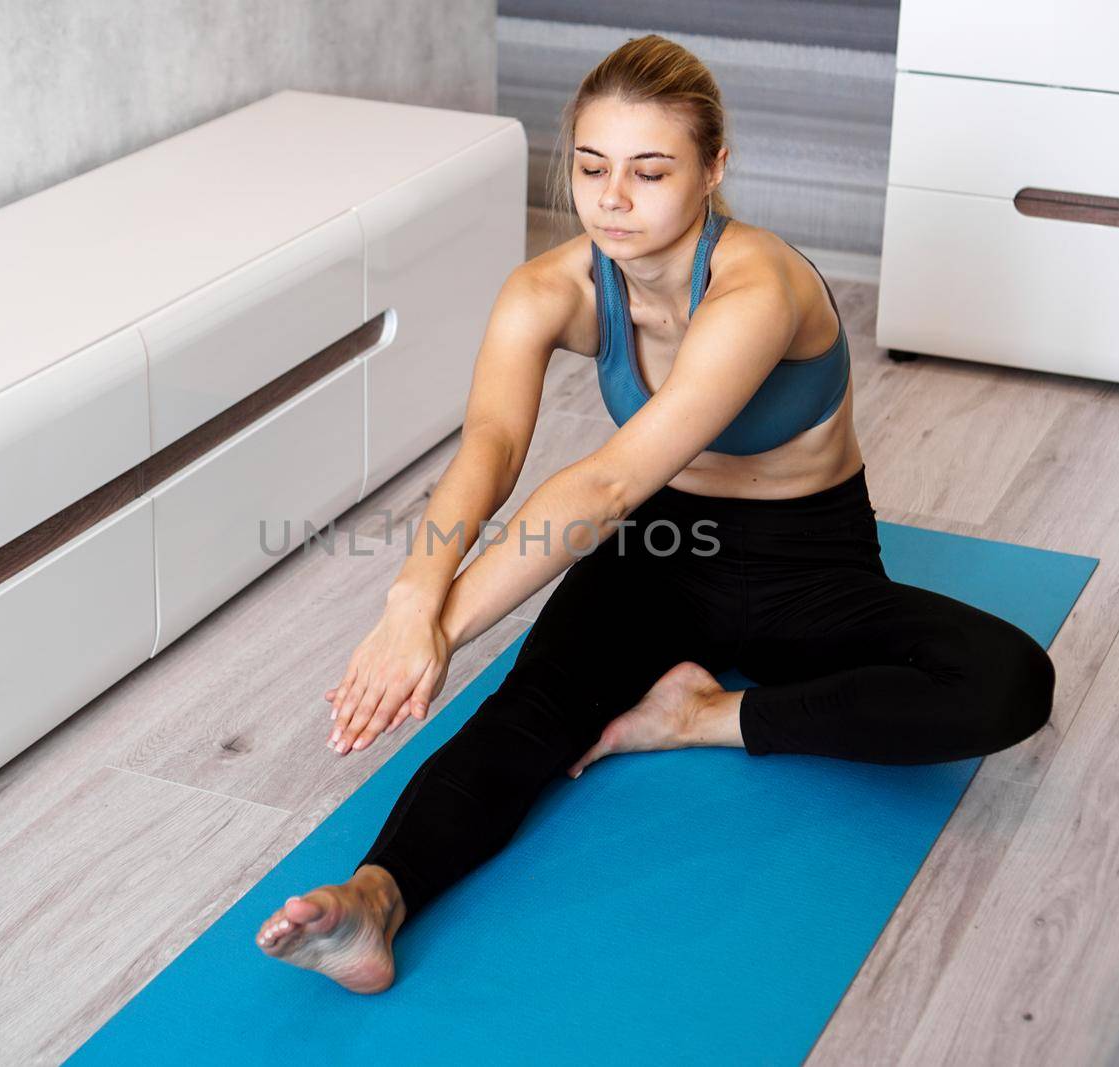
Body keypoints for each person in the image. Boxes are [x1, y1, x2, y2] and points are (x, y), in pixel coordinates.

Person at [254, 33, 1056, 994]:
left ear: (715, 168)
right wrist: (409, 602)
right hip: (662, 555)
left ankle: (704, 715)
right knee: (532, 710)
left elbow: (603, 485)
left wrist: (444, 635)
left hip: (812, 564)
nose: (613, 198)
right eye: (591, 167)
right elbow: (493, 447)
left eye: (650, 170)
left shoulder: (760, 285)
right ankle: (377, 901)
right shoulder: (546, 290)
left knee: (1011, 679)